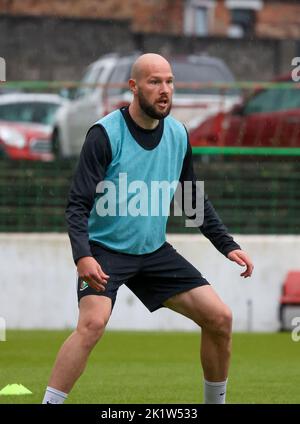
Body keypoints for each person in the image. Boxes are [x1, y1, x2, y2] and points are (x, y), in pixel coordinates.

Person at [42, 53, 253, 405]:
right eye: (155, 82)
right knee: (92, 325)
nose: (165, 90)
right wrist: (83, 256)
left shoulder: (178, 135)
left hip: (154, 253)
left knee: (220, 318)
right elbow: (77, 205)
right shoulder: (104, 134)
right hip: (105, 252)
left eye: (170, 82)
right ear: (134, 87)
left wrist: (227, 244)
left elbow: (190, 199)